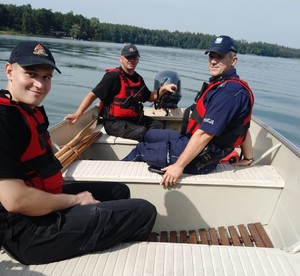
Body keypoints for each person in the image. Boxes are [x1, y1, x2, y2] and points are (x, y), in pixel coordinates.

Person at [0, 41, 157, 265]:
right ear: (9, 71)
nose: (40, 84)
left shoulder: (27, 110)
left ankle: (92, 238)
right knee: (144, 211)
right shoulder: (4, 119)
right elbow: (15, 200)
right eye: (31, 74)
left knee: (118, 191)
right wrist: (74, 200)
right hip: (26, 232)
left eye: (46, 77)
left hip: (41, 202)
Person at [123, 35, 255, 186]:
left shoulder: (229, 93)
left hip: (201, 158)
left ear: (234, 60)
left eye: (220, 57)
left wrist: (178, 166)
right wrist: (248, 157)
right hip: (191, 139)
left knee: (141, 150)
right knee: (149, 134)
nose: (213, 61)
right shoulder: (224, 85)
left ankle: (109, 186)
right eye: (211, 56)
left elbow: (205, 134)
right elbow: (244, 127)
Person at [64, 43, 177, 141]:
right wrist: (78, 114)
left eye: (134, 57)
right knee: (141, 131)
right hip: (114, 123)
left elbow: (150, 97)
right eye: (128, 57)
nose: (131, 60)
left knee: (159, 125)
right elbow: (92, 95)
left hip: (134, 119)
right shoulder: (113, 76)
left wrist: (163, 89)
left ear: (138, 59)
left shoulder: (138, 79)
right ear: (121, 58)